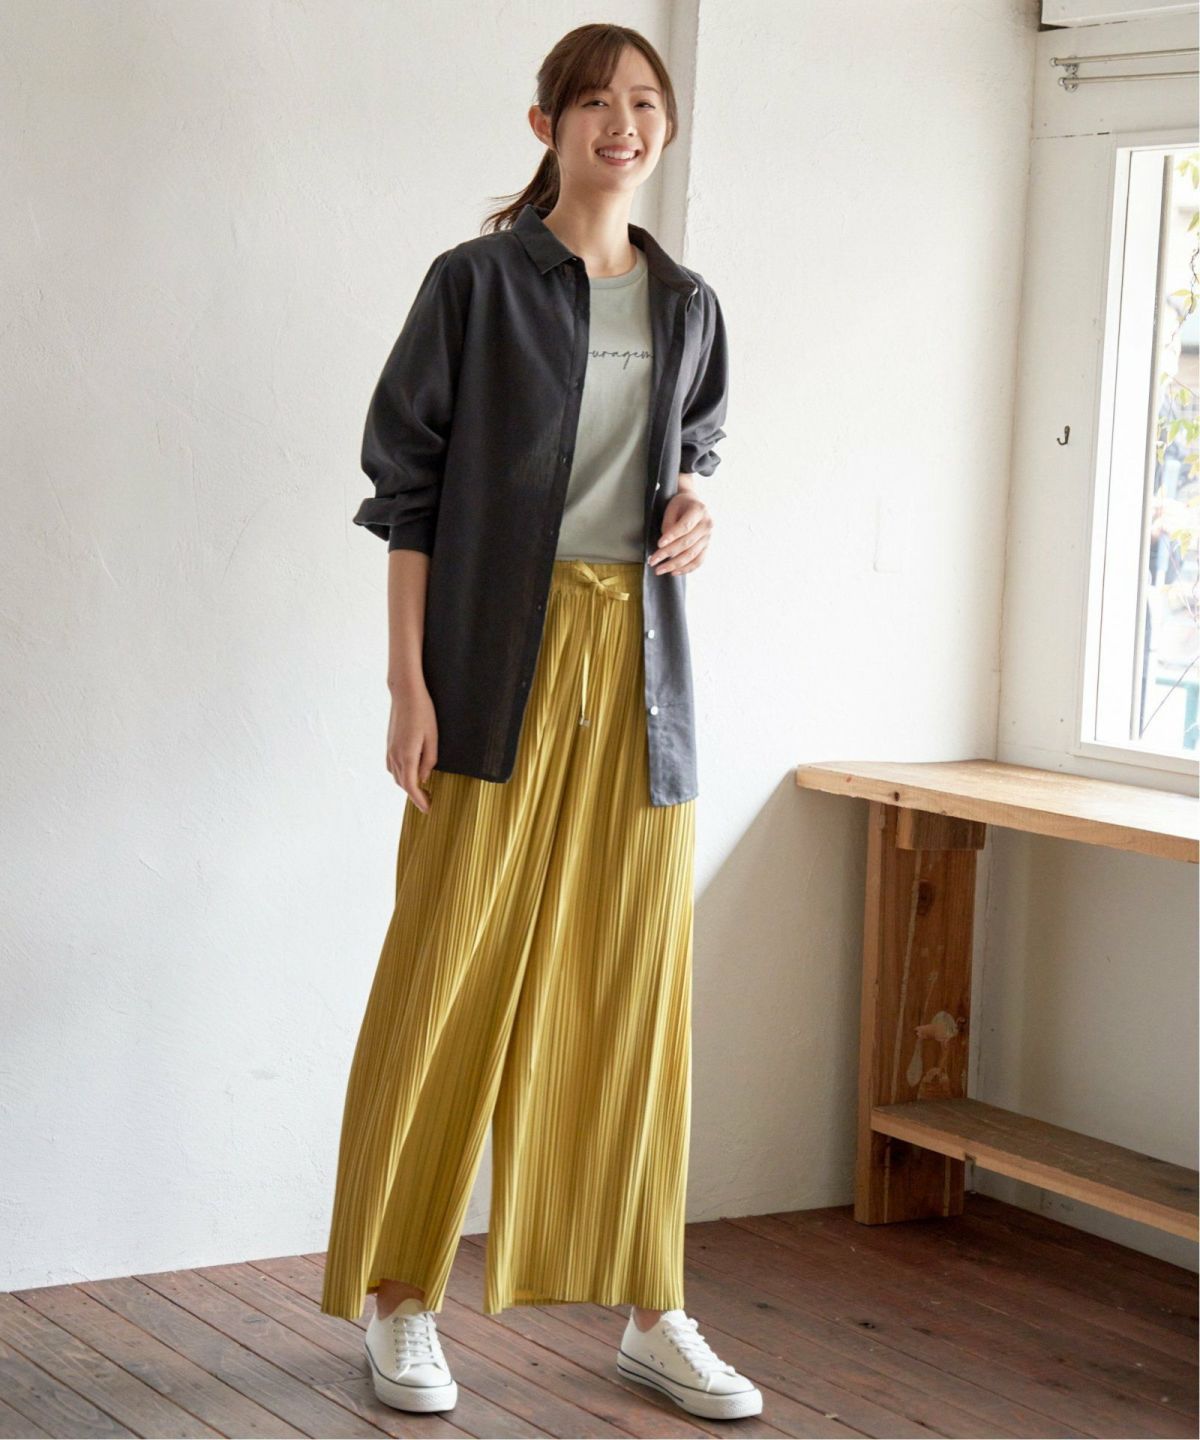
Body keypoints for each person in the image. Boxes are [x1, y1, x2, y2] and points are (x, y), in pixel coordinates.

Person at [318, 21, 762, 1424]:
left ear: (666, 128)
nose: (622, 124)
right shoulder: (477, 285)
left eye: (644, 103)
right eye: (593, 102)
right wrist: (409, 686)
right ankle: (400, 1297)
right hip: (494, 665)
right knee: (446, 970)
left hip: (642, 673)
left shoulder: (688, 304)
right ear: (546, 126)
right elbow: (409, 495)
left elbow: (693, 456)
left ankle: (652, 1306)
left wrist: (700, 503)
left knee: (631, 989)